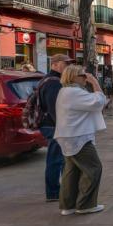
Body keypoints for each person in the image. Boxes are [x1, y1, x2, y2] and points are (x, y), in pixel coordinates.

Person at [55, 65, 107, 215]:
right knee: (94, 168)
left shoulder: (65, 91)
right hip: (78, 136)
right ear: (74, 77)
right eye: (83, 75)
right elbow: (99, 102)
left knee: (71, 171)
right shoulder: (73, 92)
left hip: (69, 135)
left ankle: (67, 205)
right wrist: (95, 82)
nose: (86, 78)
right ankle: (85, 205)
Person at [38, 54, 73, 203]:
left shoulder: (51, 80)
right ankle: (53, 192)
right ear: (55, 64)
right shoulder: (53, 83)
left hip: (52, 125)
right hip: (53, 126)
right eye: (66, 63)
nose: (68, 66)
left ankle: (61, 190)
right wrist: (62, 128)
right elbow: (54, 108)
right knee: (56, 160)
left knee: (60, 159)